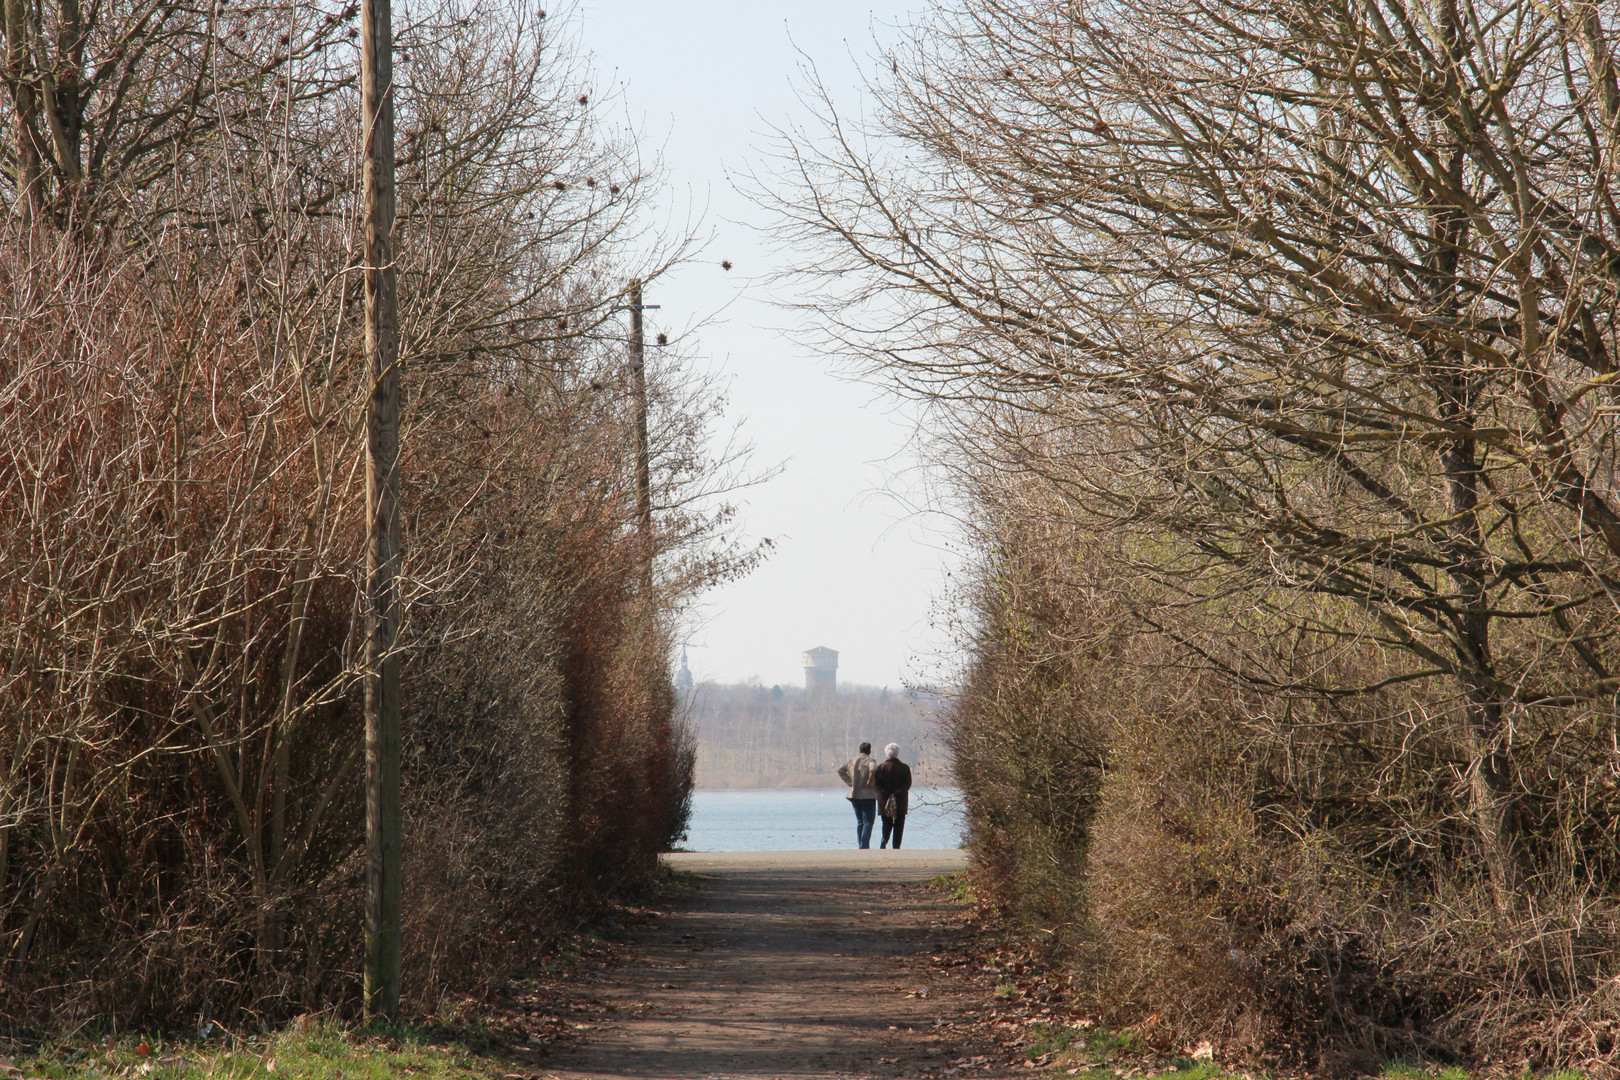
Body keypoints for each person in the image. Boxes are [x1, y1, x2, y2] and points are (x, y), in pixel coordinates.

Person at [837, 741, 879, 849]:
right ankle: (864, 846)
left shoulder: (852, 761)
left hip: (854, 794)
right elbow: (873, 769)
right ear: (869, 751)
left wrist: (849, 782)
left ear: (860, 750)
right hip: (867, 794)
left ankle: (860, 844)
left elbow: (840, 770)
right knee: (868, 821)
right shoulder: (870, 760)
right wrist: (870, 781)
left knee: (860, 821)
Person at [874, 742, 913, 850]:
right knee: (899, 824)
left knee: (886, 822)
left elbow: (877, 785)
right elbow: (907, 784)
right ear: (898, 753)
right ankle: (896, 847)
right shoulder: (904, 768)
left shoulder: (880, 768)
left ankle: (884, 841)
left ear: (887, 753)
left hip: (884, 801)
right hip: (900, 801)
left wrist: (886, 793)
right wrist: (897, 793)